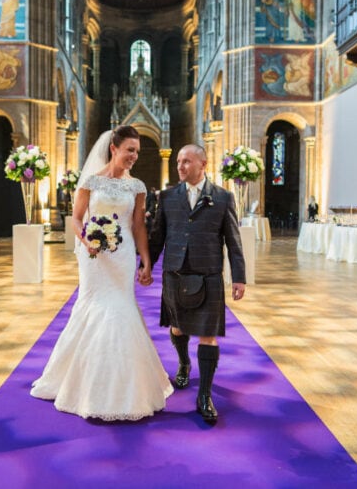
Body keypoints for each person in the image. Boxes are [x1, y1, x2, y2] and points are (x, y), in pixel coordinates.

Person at [30, 126, 173, 420]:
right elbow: (77, 218)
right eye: (130, 150)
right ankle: (82, 383)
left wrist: (146, 261)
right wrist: (87, 241)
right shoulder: (91, 182)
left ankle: (125, 389)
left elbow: (138, 226)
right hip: (93, 256)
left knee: (121, 308)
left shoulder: (137, 187)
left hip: (122, 256)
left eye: (137, 151)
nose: (134, 156)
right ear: (114, 148)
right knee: (92, 306)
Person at [148, 144, 246, 424]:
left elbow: (233, 241)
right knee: (178, 327)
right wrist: (146, 266)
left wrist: (238, 276)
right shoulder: (166, 197)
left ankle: (204, 394)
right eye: (178, 161)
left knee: (208, 334)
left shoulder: (223, 197)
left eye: (186, 161)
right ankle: (183, 363)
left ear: (203, 163)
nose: (180, 166)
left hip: (208, 274)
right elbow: (157, 237)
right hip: (175, 273)